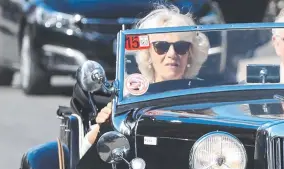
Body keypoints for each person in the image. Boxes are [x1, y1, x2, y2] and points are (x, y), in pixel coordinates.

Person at [81, 4, 209, 157]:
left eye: (181, 47)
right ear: (149, 54)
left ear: (190, 54)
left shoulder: (203, 95)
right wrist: (106, 125)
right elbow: (89, 148)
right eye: (161, 46)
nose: (172, 54)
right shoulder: (130, 95)